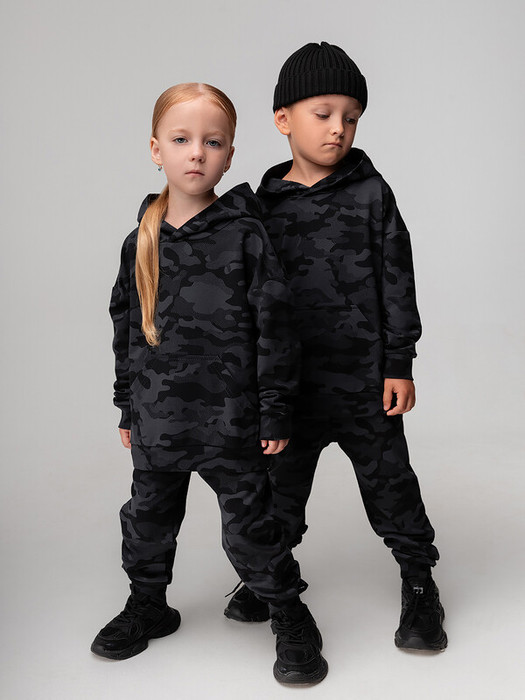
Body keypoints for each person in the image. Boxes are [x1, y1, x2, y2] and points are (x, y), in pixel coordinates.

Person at [91, 82, 328, 685]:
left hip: (232, 421)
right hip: (159, 420)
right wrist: (127, 406)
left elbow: (276, 329)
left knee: (251, 531)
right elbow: (126, 327)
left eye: (212, 142)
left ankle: (289, 613)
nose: (196, 152)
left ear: (228, 156)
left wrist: (274, 410)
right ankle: (148, 604)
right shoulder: (140, 241)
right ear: (156, 150)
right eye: (181, 139)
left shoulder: (246, 236)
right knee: (147, 521)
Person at [224, 43, 447, 652]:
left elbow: (398, 282)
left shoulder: (372, 194)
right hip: (291, 391)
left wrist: (399, 362)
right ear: (283, 118)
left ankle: (419, 582)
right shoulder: (259, 207)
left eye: (351, 117)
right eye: (322, 114)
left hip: (363, 383)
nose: (338, 128)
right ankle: (272, 579)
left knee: (391, 487)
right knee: (280, 493)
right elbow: (243, 299)